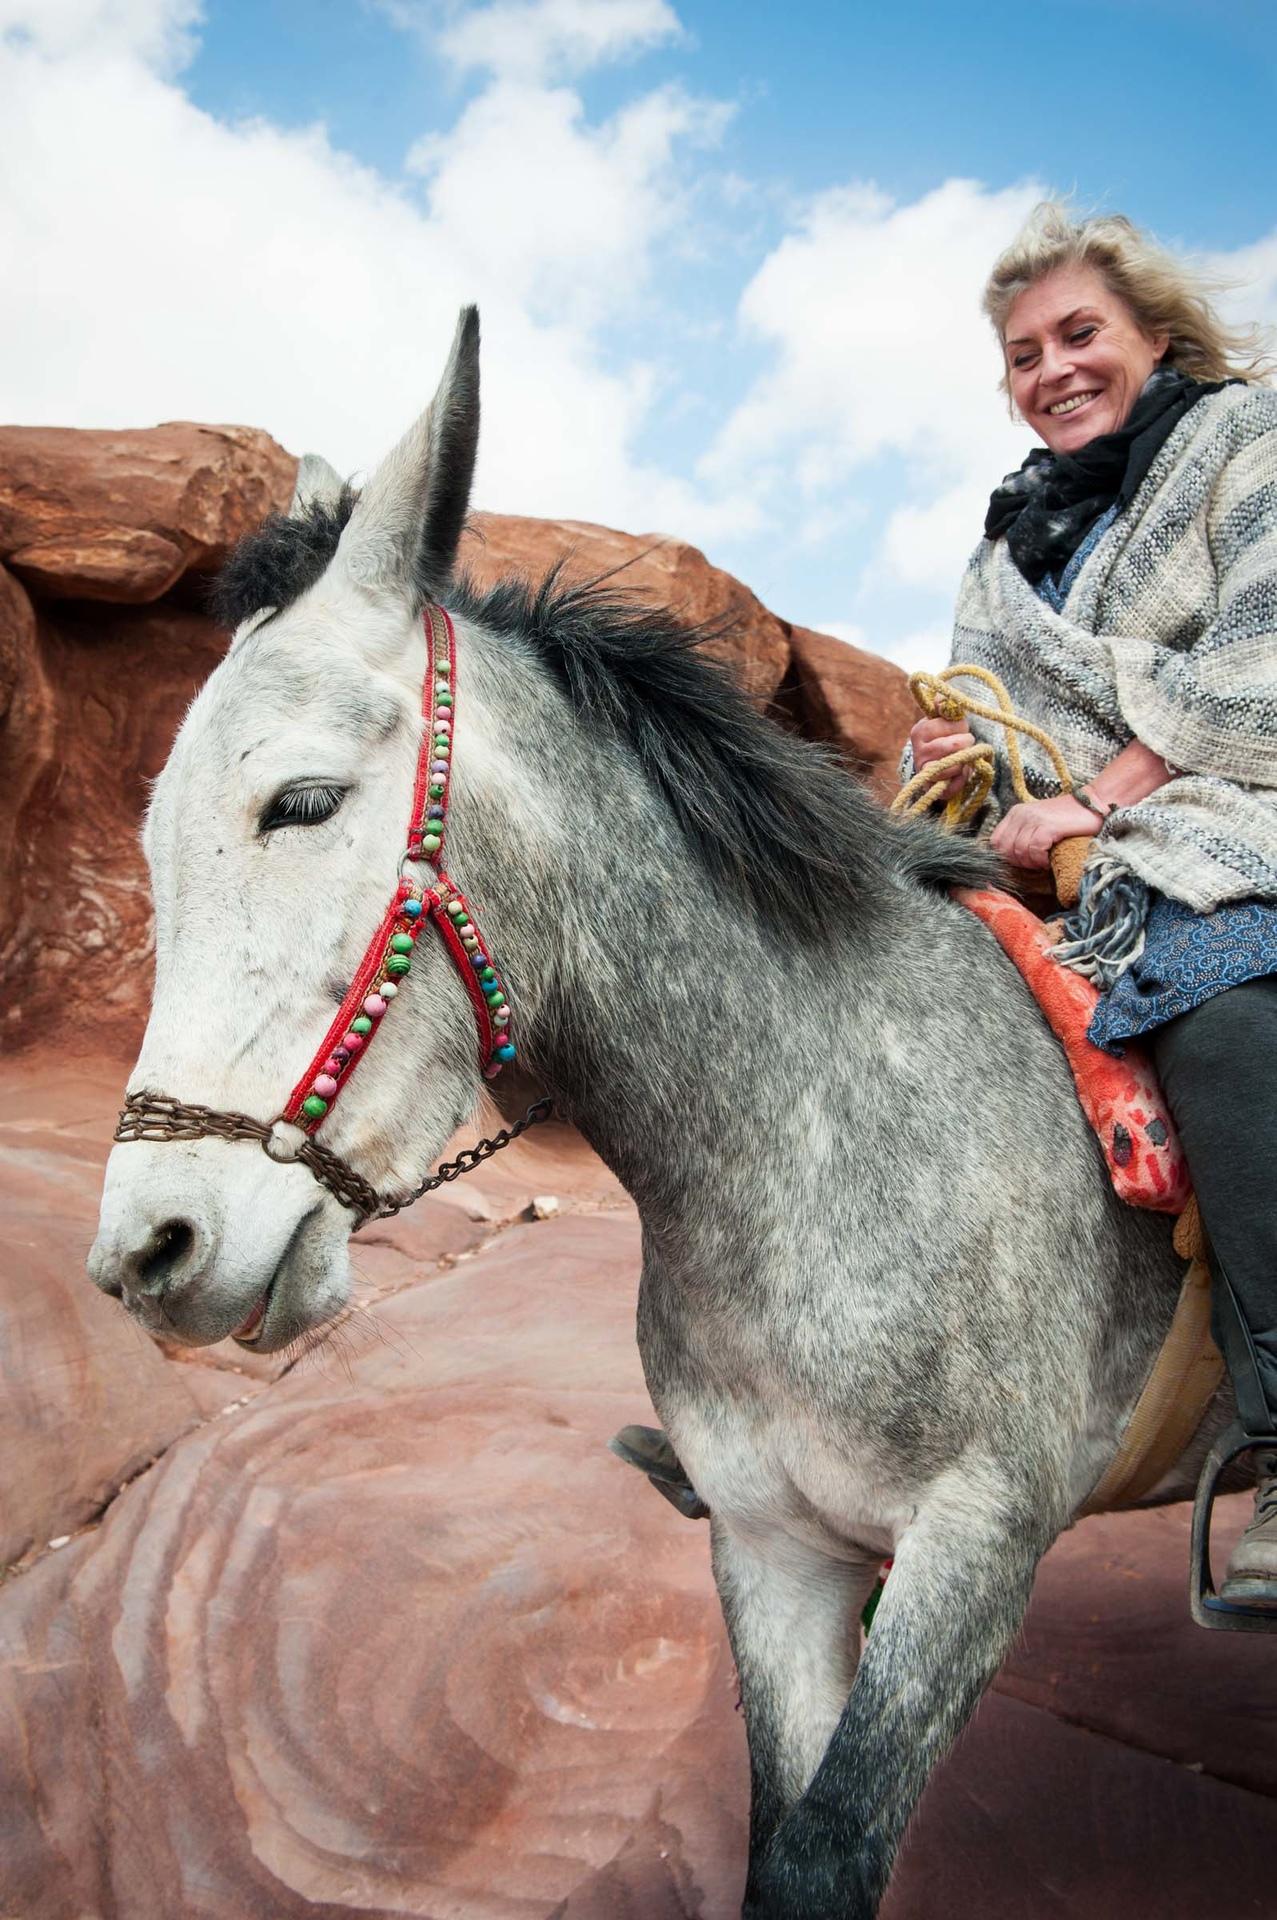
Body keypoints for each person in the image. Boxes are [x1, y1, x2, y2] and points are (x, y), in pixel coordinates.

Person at [616, 204, 1277, 1607]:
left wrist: (1103, 796)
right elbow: (996, 718)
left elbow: (1264, 661)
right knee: (834, 995)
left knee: (1221, 1015)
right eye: (1024, 354)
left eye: (1079, 334)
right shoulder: (1007, 546)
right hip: (1044, 855)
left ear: (1155, 333)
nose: (1053, 369)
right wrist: (955, 759)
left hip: (1227, 820)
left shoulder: (1245, 443)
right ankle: (783, 1409)